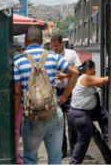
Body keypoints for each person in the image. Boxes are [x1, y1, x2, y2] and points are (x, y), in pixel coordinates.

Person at [13, 26, 79, 164]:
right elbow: (75, 73)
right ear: (42, 40)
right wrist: (65, 96)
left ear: (25, 41)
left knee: (30, 157)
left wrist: (15, 118)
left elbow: (17, 92)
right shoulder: (53, 57)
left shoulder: (18, 61)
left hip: (31, 117)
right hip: (53, 113)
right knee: (55, 158)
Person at [68, 60, 109, 164]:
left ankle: (107, 134)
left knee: (101, 113)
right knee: (83, 141)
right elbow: (104, 80)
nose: (95, 72)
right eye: (93, 70)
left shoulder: (82, 77)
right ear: (88, 69)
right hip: (81, 115)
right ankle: (74, 162)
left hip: (77, 113)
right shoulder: (85, 77)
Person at [50, 33, 81, 157]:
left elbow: (78, 71)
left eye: (57, 46)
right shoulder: (51, 56)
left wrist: (65, 75)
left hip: (70, 92)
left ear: (62, 43)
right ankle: (62, 151)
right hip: (56, 91)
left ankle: (74, 152)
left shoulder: (71, 54)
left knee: (72, 123)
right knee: (58, 124)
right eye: (53, 47)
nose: (55, 49)